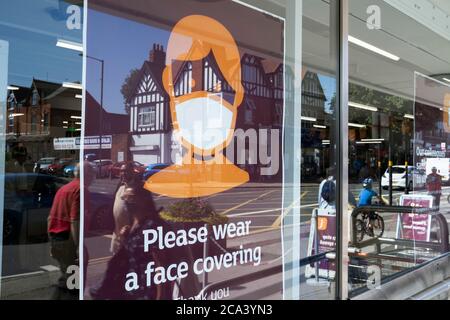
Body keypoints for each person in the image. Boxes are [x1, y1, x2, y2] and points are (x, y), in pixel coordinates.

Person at [47, 161, 95, 299]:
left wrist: (52, 244)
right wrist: (79, 247)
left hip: (57, 239)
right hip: (69, 241)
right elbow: (75, 220)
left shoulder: (64, 189)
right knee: (75, 284)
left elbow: (50, 218)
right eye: (92, 173)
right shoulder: (81, 189)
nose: (93, 177)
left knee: (67, 280)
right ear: (86, 174)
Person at [110, 162, 141, 254]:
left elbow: (143, 214)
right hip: (117, 236)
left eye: (126, 171)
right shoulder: (120, 187)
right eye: (121, 171)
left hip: (131, 238)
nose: (123, 173)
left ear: (133, 172)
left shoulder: (138, 189)